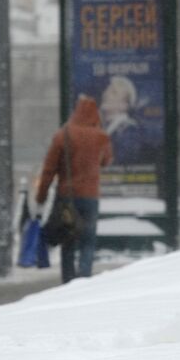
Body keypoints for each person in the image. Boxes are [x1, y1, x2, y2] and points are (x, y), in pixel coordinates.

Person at [35, 95, 113, 283]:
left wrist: (41, 195)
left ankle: (68, 281)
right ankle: (84, 277)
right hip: (90, 196)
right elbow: (106, 161)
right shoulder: (101, 137)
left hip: (67, 196)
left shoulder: (63, 135)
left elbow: (49, 169)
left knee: (68, 238)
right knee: (88, 239)